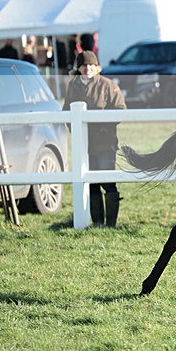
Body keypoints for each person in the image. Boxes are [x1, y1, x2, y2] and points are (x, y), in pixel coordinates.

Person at [63, 51, 127, 227]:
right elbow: (66, 111)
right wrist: (75, 132)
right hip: (83, 145)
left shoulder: (108, 85)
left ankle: (111, 224)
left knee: (108, 183)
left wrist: (103, 125)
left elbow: (121, 109)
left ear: (97, 67)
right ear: (79, 67)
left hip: (105, 143)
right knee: (91, 184)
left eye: (91, 65)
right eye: (84, 65)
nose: (88, 68)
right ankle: (97, 223)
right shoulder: (73, 86)